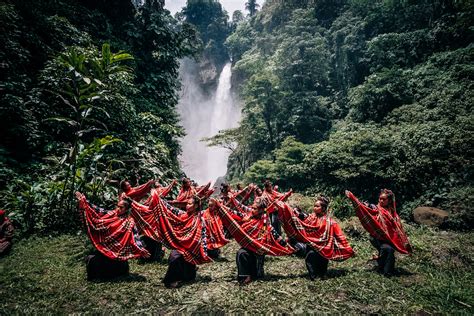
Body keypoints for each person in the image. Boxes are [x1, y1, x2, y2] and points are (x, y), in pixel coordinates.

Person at [280, 197, 354, 280]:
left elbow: (339, 236)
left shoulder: (330, 222)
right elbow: (301, 217)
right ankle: (314, 276)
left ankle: (322, 275)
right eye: (314, 206)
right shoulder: (311, 217)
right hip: (311, 244)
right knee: (310, 257)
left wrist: (347, 248)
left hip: (325, 247)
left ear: (323, 208)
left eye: (317, 206)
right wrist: (288, 209)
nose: (314, 207)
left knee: (323, 261)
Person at [345, 189, 412, 276]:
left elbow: (397, 228)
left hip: (390, 239)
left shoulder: (392, 212)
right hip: (377, 237)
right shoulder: (375, 208)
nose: (381, 201)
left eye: (384, 199)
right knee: (388, 249)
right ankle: (387, 272)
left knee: (388, 251)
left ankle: (382, 268)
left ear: (389, 201)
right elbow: (364, 206)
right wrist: (353, 198)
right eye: (380, 198)